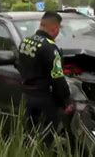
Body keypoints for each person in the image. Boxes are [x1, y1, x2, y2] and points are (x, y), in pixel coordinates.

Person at [17, 11, 72, 143]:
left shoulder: (25, 42)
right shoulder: (50, 48)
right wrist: (66, 101)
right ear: (54, 28)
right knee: (45, 138)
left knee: (29, 135)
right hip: (44, 99)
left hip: (27, 96)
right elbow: (57, 78)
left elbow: (20, 65)